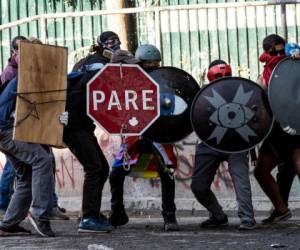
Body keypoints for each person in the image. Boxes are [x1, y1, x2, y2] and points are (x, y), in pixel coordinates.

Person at [108, 45, 179, 231]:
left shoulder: (165, 81)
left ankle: (169, 216)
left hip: (159, 133)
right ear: (140, 63)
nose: (153, 66)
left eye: (156, 63)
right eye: (148, 63)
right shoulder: (130, 80)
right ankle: (117, 212)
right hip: (136, 133)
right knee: (116, 174)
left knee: (167, 171)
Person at [0, 36, 69, 221]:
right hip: (6, 130)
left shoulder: (35, 76)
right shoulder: (19, 76)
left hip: (16, 130)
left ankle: (9, 223)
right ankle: (40, 213)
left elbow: (44, 107)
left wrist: (60, 116)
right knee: (42, 160)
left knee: (27, 176)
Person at [63, 31, 121, 233]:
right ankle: (88, 218)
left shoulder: (85, 62)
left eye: (117, 43)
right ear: (102, 45)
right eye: (111, 43)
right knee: (96, 168)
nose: (115, 46)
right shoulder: (99, 65)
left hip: (79, 124)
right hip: (74, 125)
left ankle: (92, 213)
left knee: (101, 167)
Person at [191, 59, 256, 230]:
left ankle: (247, 218)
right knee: (198, 186)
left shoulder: (241, 90)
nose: (223, 78)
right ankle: (218, 216)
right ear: (210, 76)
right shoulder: (203, 94)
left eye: (226, 74)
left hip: (237, 143)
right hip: (208, 143)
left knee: (241, 180)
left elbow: (256, 113)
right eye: (219, 75)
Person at [254, 34, 300, 223]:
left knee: (298, 164)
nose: (281, 54)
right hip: (276, 129)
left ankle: (280, 209)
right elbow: (258, 98)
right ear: (267, 52)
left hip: (297, 125)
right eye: (276, 52)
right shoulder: (264, 74)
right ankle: (281, 209)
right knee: (261, 171)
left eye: (283, 50)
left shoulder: (295, 63)